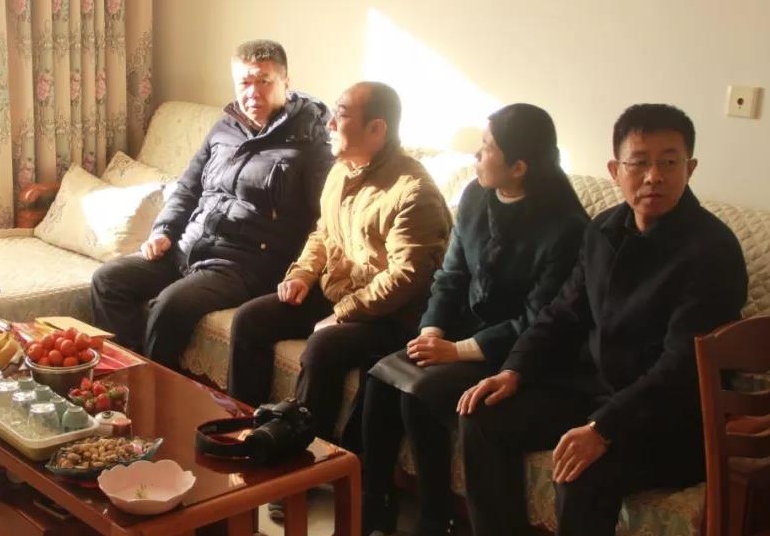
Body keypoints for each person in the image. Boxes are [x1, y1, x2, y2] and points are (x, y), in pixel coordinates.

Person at [456, 104, 749, 536]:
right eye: (639, 163)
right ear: (615, 170)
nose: (654, 176)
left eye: (669, 162)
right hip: (594, 390)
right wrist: (514, 369)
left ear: (690, 168)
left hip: (671, 417)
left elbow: (681, 365)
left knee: (581, 475)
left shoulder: (712, 250)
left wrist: (604, 428)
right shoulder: (603, 229)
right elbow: (564, 312)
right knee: (483, 417)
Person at [359, 104, 589, 536]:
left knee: (420, 392)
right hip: (462, 331)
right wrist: (432, 330)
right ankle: (374, 506)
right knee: (380, 379)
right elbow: (451, 275)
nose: (476, 156)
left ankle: (436, 520)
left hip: (517, 352)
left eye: (486, 148)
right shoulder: (475, 195)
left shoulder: (566, 227)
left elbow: (540, 318)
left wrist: (457, 351)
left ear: (518, 166)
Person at [227, 81, 453, 444]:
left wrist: (343, 313)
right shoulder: (342, 169)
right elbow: (324, 232)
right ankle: (245, 431)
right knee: (250, 319)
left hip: (389, 315)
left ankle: (305, 453)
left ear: (376, 129)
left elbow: (406, 277)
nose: (329, 123)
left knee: (323, 346)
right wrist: (303, 273)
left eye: (342, 115)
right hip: (339, 292)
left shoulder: (413, 192)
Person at [90, 40, 333, 367]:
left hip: (244, 265)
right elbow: (188, 186)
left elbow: (326, 218)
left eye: (264, 81)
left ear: (286, 83)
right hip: (189, 246)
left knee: (169, 307)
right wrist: (164, 230)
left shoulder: (310, 143)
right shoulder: (226, 127)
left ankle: (152, 385)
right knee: (108, 280)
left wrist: (303, 273)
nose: (253, 92)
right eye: (244, 82)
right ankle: (128, 373)